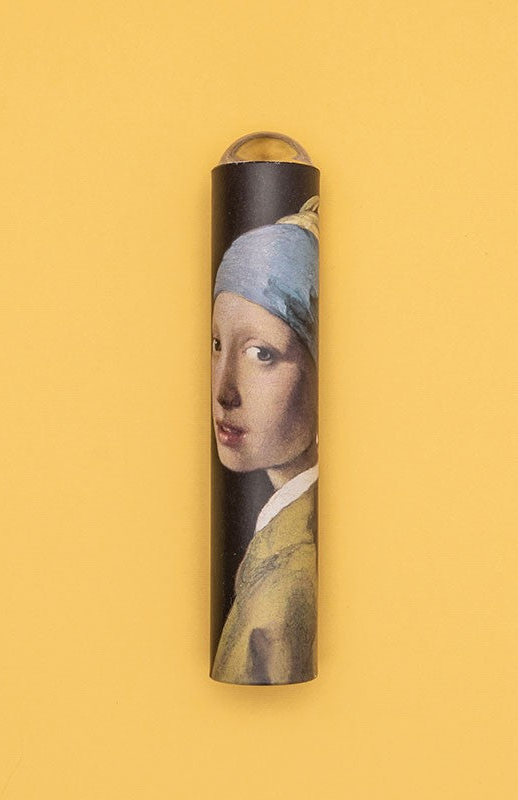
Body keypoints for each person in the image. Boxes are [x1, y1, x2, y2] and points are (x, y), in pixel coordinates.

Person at [210, 197, 319, 685]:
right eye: (217, 344)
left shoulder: (282, 590)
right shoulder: (276, 543)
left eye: (261, 354)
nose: (224, 391)